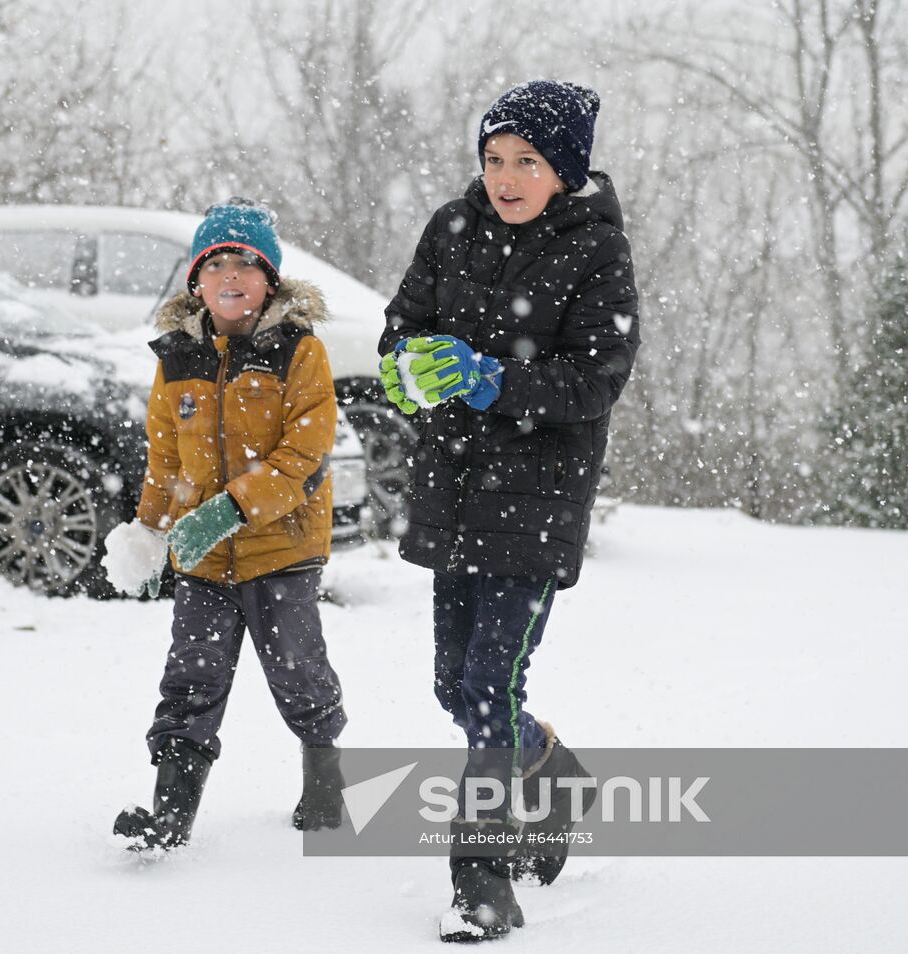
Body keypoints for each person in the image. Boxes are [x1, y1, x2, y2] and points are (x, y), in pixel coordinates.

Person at [378, 81, 641, 941]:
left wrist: (494, 379)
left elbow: (594, 381)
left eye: (528, 161)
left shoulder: (597, 252)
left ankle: (481, 878)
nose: (506, 176)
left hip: (536, 500)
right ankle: (551, 769)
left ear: (564, 170)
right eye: (494, 159)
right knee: (454, 683)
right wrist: (402, 367)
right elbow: (402, 325)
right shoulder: (450, 229)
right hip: (452, 488)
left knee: (490, 685)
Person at [106, 198, 349, 851]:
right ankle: (170, 814)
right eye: (217, 264)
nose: (232, 276)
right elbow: (164, 455)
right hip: (203, 562)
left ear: (270, 278)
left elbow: (304, 454)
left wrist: (232, 508)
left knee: (298, 674)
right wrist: (148, 529)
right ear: (196, 279)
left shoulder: (298, 351)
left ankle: (326, 782)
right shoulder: (177, 357)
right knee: (191, 679)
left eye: (247, 263)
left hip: (282, 549)